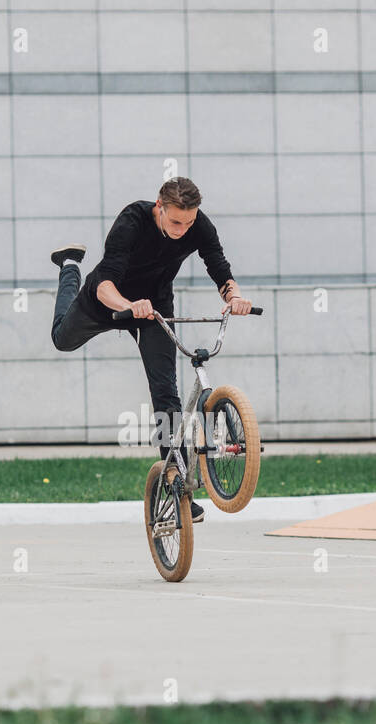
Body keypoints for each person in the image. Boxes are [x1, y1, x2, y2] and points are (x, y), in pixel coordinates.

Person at [50, 176, 253, 523]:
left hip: (154, 308)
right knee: (61, 339)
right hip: (105, 299)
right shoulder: (132, 220)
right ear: (159, 207)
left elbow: (218, 265)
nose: (182, 229)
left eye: (188, 222)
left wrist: (233, 296)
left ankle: (177, 484)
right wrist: (128, 304)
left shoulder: (197, 225)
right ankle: (70, 267)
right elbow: (106, 283)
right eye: (176, 221)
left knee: (166, 393)